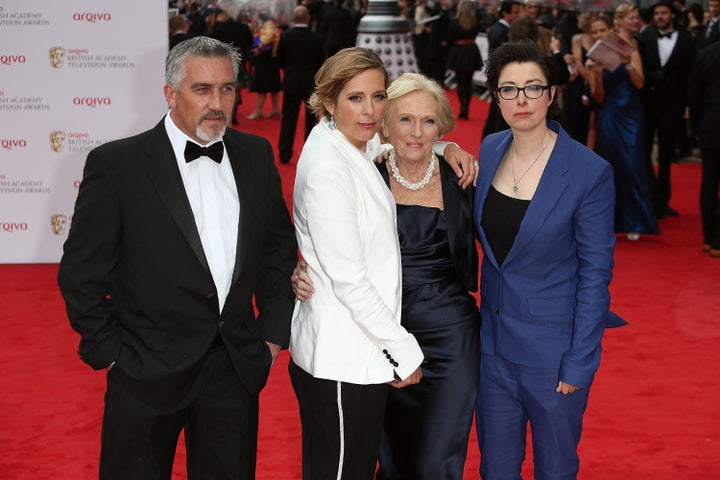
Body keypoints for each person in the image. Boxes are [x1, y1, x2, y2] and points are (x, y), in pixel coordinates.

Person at [57, 36, 297, 479]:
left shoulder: (255, 155)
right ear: (171, 94)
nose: (218, 102)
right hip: (144, 369)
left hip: (234, 367)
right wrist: (111, 354)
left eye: (227, 88)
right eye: (202, 89)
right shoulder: (118, 164)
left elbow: (277, 253)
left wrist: (271, 337)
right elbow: (81, 272)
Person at [289, 48, 477, 480]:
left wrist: (446, 146)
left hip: (364, 350)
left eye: (377, 97)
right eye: (356, 98)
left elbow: (405, 138)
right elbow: (350, 279)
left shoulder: (350, 143)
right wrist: (406, 352)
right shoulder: (328, 168)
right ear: (329, 101)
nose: (370, 111)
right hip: (342, 353)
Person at [474, 40, 625, 480]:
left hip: (554, 355)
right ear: (496, 96)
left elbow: (596, 275)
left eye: (533, 87)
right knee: (495, 469)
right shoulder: (488, 150)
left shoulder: (588, 171)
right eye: (509, 89)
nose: (521, 100)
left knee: (555, 470)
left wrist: (580, 361)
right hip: (492, 349)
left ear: (552, 93)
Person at [586, 4, 659, 239]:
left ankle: (635, 221)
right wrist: (595, 73)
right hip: (609, 115)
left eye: (637, 17)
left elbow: (639, 83)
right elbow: (598, 97)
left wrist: (627, 63)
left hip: (632, 115)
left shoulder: (631, 47)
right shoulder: (599, 53)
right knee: (609, 167)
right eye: (632, 17)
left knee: (632, 165)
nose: (636, 21)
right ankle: (609, 221)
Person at [638, 0, 697, 218]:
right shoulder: (645, 38)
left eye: (664, 13)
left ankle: (663, 201)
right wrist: (656, 77)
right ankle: (648, 198)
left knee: (665, 155)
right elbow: (640, 68)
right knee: (644, 152)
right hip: (647, 104)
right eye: (657, 13)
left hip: (672, 104)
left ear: (672, 15)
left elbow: (692, 74)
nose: (660, 16)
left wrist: (688, 104)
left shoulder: (687, 40)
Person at [276, 5, 325, 164]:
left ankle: (284, 154)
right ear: (308, 18)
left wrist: (290, 73)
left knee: (288, 119)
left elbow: (280, 61)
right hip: (310, 83)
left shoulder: (285, 37)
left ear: (294, 18)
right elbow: (320, 63)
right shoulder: (317, 38)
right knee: (311, 121)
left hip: (291, 82)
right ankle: (309, 155)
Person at [688, 40, 720, 257]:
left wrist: (696, 127)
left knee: (709, 181)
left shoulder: (705, 54)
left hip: (710, 124)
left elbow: (694, 96)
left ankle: (710, 238)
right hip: (709, 123)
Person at [446, 0, 483, 119]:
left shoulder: (455, 22)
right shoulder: (474, 22)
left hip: (459, 52)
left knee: (461, 82)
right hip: (471, 51)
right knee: (468, 82)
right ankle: (466, 107)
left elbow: (450, 38)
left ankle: (463, 106)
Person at [247, 19, 282, 120]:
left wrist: (259, 48)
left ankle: (258, 110)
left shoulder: (268, 24)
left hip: (266, 60)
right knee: (273, 86)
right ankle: (275, 109)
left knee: (263, 86)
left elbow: (267, 38)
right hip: (270, 60)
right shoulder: (269, 25)